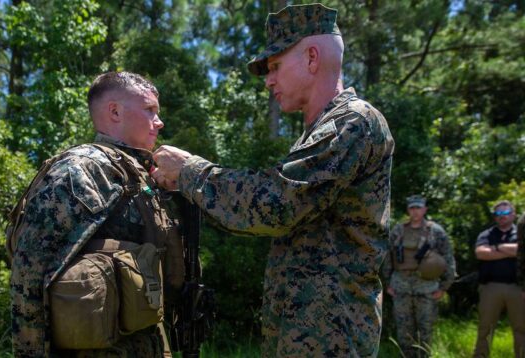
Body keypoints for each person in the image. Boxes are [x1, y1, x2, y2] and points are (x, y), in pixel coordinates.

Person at [151, 3, 394, 356]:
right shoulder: (321, 132)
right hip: (308, 336)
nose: (268, 80)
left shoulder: (352, 121)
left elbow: (275, 205)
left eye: (276, 66)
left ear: (312, 58)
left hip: (332, 340)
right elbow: (260, 219)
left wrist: (189, 170)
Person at [9, 71, 184, 357]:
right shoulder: (83, 169)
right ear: (115, 111)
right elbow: (30, 269)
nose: (160, 121)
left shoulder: (139, 175)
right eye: (150, 110)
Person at [382, 195, 455, 357]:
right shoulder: (398, 230)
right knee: (404, 331)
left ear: (425, 209)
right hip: (400, 286)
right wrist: (387, 283)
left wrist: (444, 287)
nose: (415, 212)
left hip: (427, 288)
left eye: (418, 208)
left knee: (426, 329)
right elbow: (388, 257)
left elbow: (448, 258)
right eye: (412, 208)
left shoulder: (435, 231)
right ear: (408, 210)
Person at [473, 200, 524, 358]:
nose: (502, 217)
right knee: (485, 328)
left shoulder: (521, 233)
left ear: (513, 214)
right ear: (495, 216)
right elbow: (481, 253)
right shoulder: (486, 234)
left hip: (517, 288)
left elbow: (521, 251)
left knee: (521, 328)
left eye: (506, 213)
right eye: (498, 214)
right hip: (490, 287)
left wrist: (496, 248)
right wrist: (510, 250)